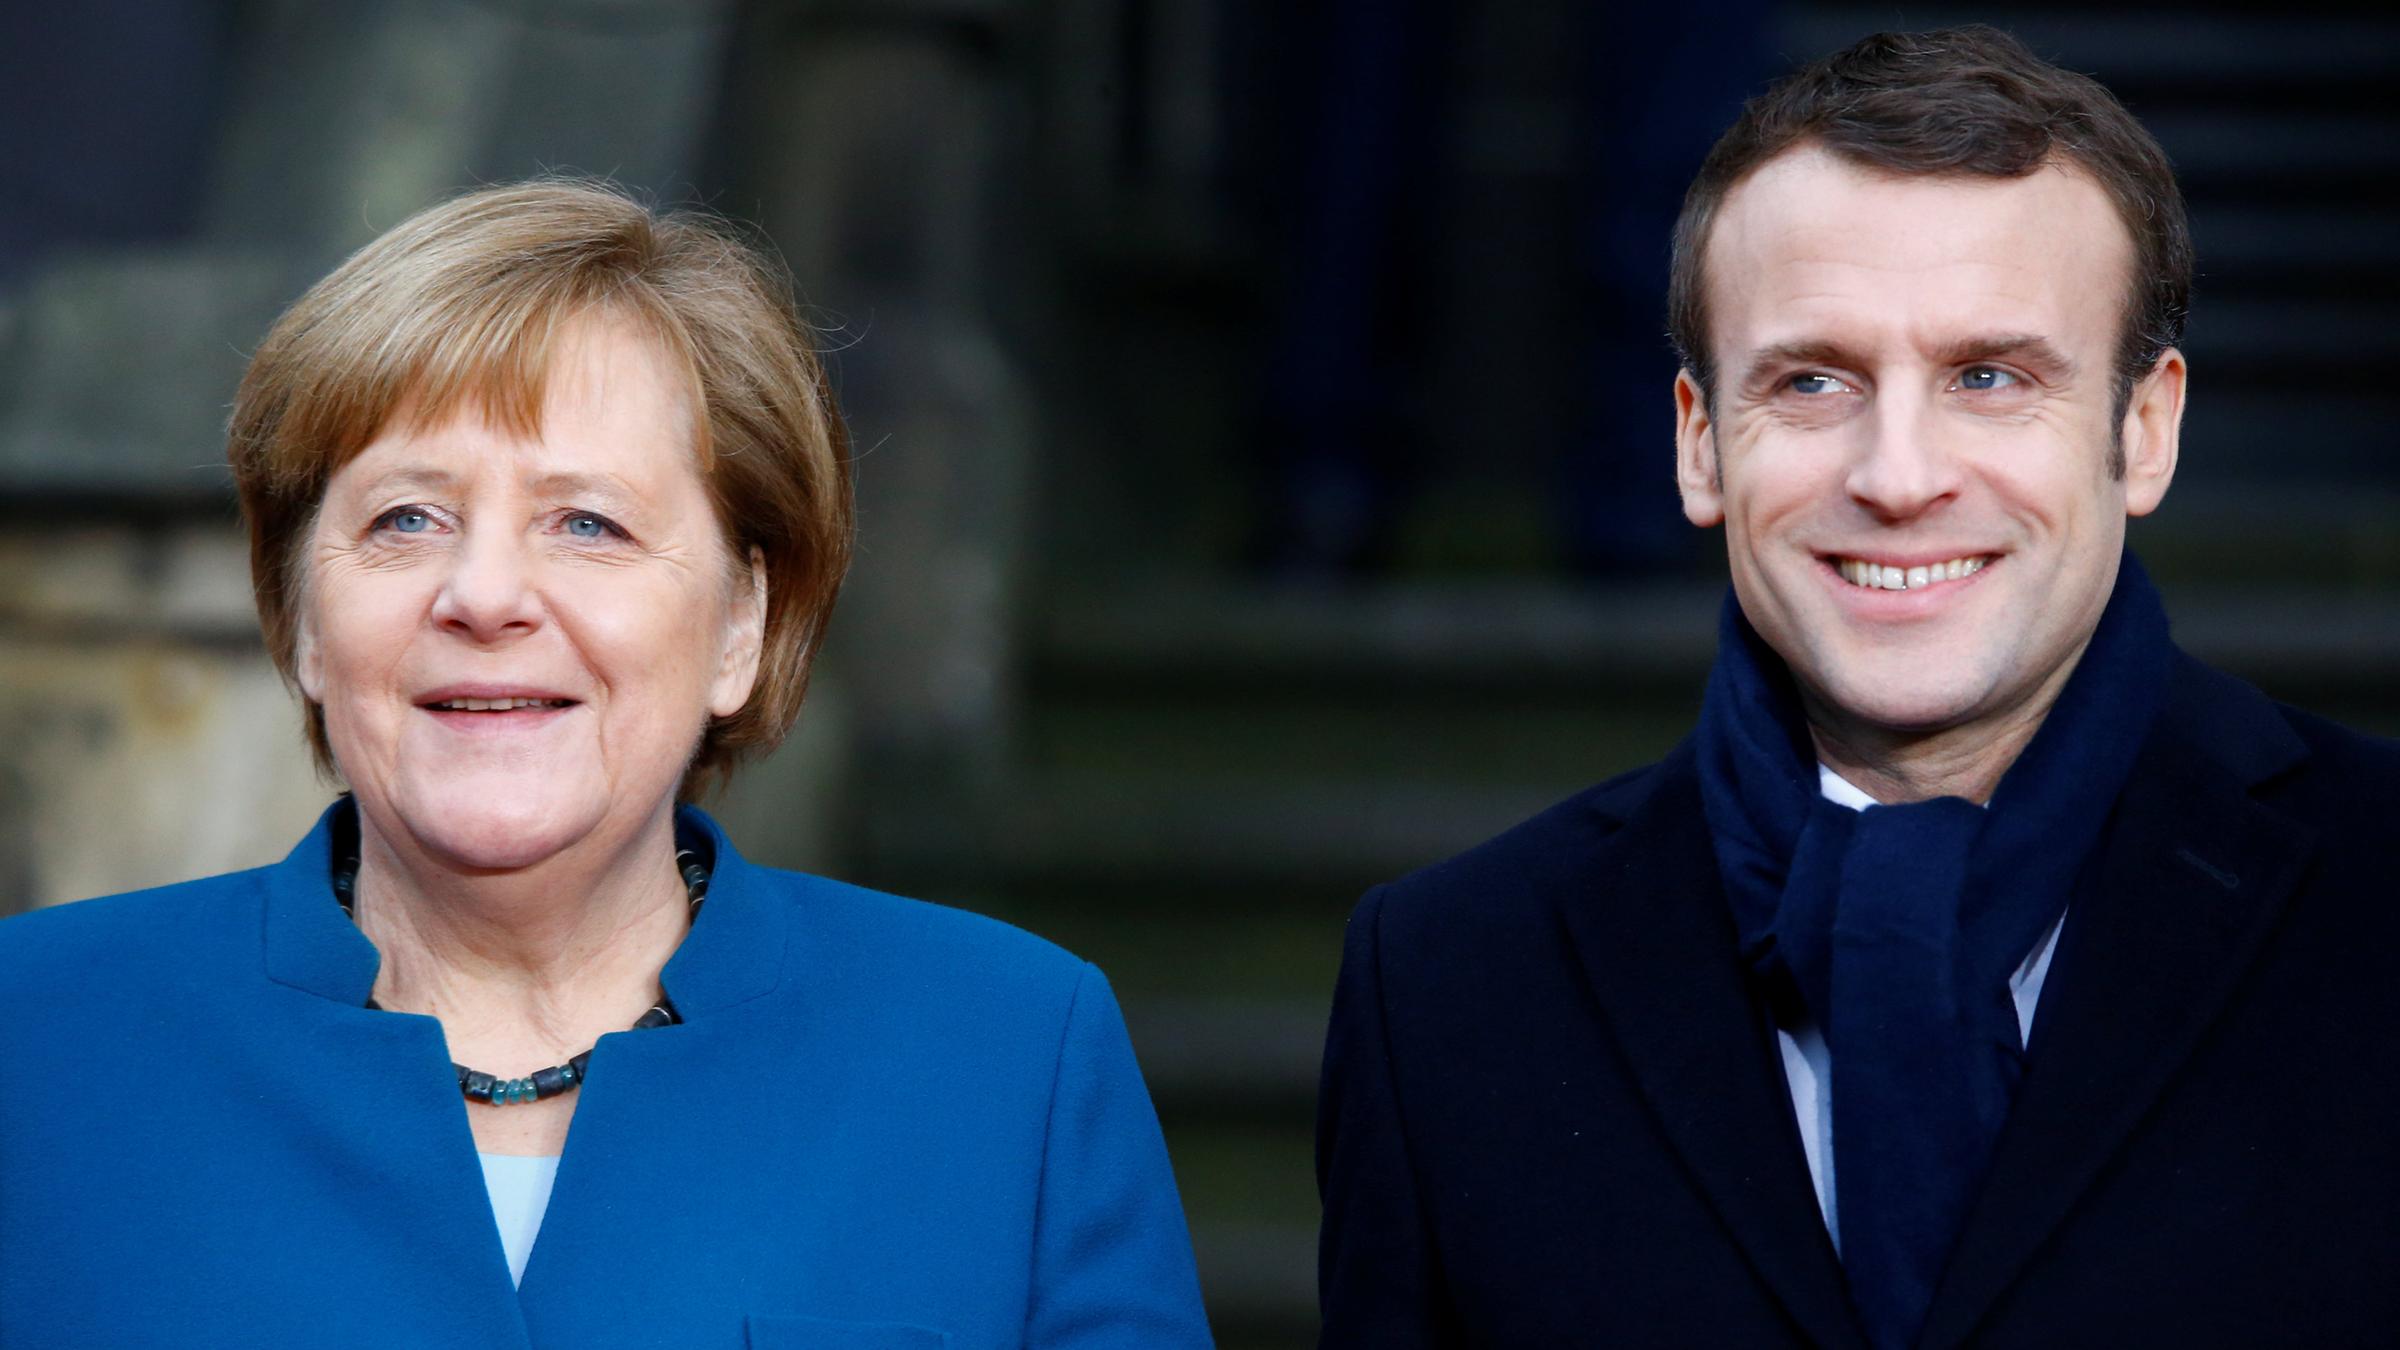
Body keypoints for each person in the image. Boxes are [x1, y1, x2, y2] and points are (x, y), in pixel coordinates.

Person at [1316, 25, 2400, 1350]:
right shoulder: (1448, 983)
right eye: (1813, 380)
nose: (1897, 476)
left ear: (2147, 428)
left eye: (1989, 377)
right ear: (1699, 444)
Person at [0, 179, 1214, 1348]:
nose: (484, 594)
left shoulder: (1006, 1055)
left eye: (587, 522)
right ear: (303, 617)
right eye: (407, 518)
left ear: (741, 624)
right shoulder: (38, 1044)